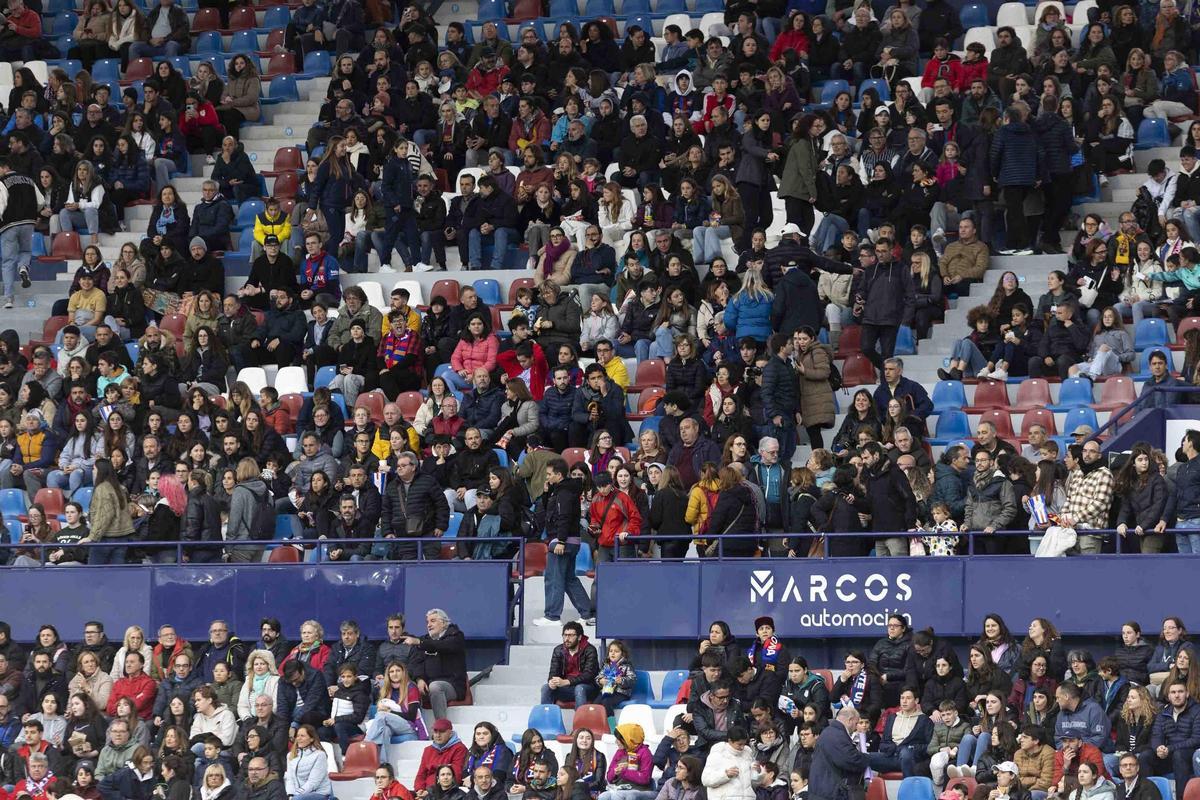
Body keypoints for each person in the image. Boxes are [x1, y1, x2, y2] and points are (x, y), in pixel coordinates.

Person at [0, 157, 37, 309]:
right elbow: (40, 201)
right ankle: (23, 267)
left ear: (4, 167)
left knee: (8, 262)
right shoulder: (29, 180)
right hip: (28, 222)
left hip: (9, 225)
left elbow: (0, 204)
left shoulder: (2, 182)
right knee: (26, 251)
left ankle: (9, 298)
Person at [808, 707, 869, 800]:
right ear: (850, 720)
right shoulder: (837, 736)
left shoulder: (829, 732)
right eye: (856, 723)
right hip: (829, 794)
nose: (856, 727)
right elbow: (851, 760)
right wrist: (867, 758)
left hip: (821, 792)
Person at [541, 622, 598, 708]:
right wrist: (552, 681)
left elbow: (589, 675)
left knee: (579, 688)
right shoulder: (558, 650)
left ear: (579, 637)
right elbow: (553, 671)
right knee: (546, 688)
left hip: (587, 688)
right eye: (565, 635)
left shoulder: (590, 650)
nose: (567, 639)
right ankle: (546, 718)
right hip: (566, 688)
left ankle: (580, 720)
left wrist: (567, 682)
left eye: (571, 635)